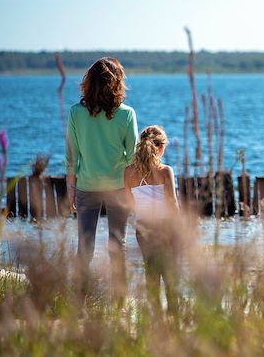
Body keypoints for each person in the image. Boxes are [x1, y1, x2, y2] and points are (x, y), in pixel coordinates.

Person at [66, 57, 138, 302]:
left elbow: (72, 156)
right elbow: (133, 158)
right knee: (118, 245)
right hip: (118, 187)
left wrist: (71, 189)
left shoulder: (76, 112)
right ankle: (120, 302)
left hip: (87, 185)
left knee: (84, 247)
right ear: (118, 83)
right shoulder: (127, 114)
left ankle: (79, 301)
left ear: (88, 83)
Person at [124, 126, 181, 317]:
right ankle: (173, 313)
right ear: (160, 147)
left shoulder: (129, 173)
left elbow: (131, 204)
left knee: (151, 270)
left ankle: (155, 314)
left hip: (143, 228)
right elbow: (172, 201)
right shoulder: (165, 171)